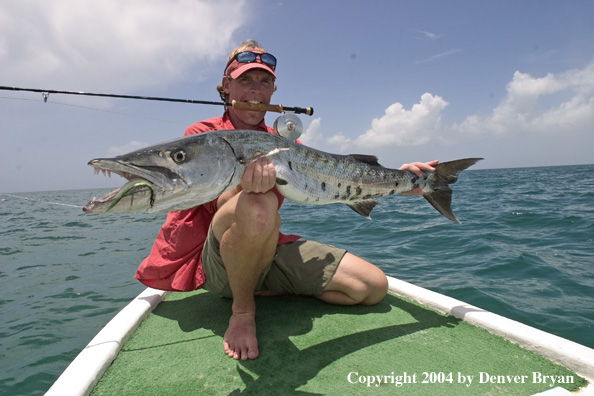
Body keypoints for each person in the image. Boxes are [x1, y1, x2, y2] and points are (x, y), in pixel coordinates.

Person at [135, 39, 438, 361]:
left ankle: (261, 284)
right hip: (213, 257)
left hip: (263, 245)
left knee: (370, 288)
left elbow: (334, 180)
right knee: (256, 202)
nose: (256, 90)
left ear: (273, 90)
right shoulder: (203, 135)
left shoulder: (283, 141)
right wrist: (243, 188)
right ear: (226, 87)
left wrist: (400, 180)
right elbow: (216, 206)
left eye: (264, 82)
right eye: (245, 80)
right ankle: (242, 311)